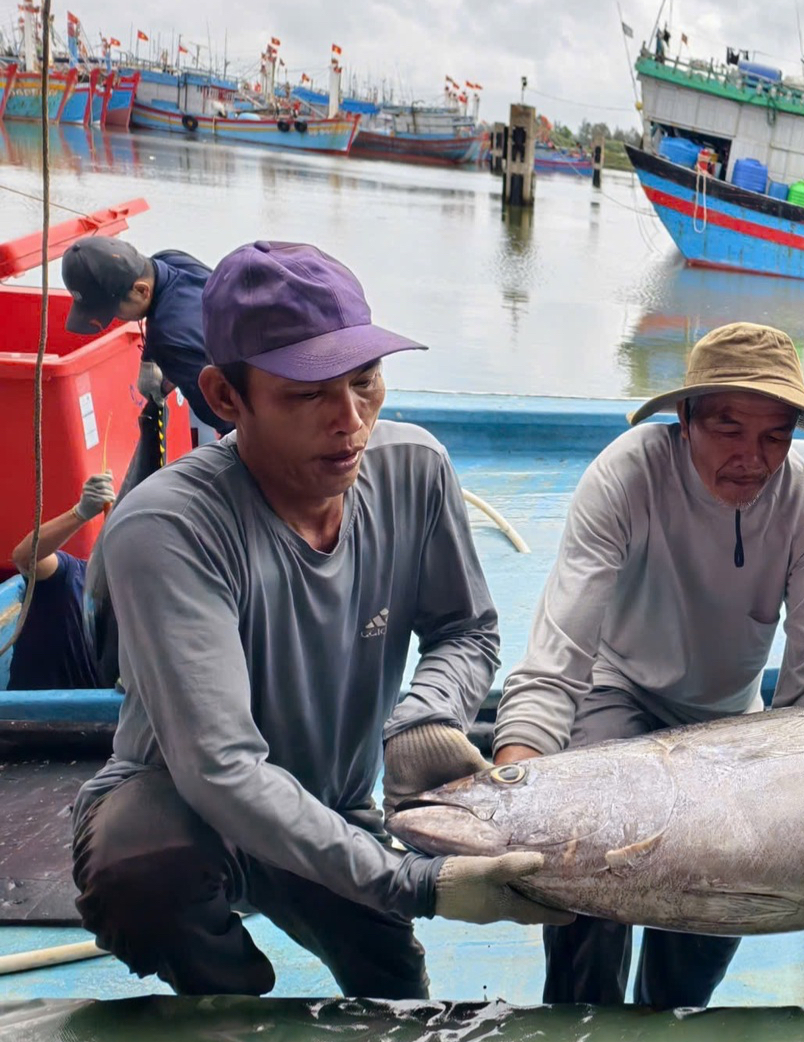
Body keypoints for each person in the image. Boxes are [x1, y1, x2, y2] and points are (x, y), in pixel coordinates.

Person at [68, 241, 564, 999]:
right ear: (226, 398)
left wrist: (423, 716)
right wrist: (417, 880)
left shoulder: (415, 470)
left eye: (365, 382)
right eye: (307, 394)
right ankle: (226, 1008)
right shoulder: (165, 529)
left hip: (332, 808)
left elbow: (465, 631)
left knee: (397, 998)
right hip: (193, 810)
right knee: (139, 863)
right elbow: (223, 769)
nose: (351, 420)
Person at [493, 322, 804, 1010]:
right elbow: (559, 655)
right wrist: (518, 792)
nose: (752, 458)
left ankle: (668, 1018)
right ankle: (580, 1026)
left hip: (728, 716)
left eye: (774, 436)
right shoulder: (625, 476)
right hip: (618, 689)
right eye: (728, 427)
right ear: (683, 418)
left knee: (722, 889)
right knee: (584, 855)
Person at [60, 236, 230, 442]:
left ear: (141, 290)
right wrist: (149, 358)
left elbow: (226, 420)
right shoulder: (171, 259)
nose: (116, 319)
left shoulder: (168, 340)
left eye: (114, 311)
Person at [5, 473, 114, 691]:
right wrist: (79, 513)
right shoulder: (68, 576)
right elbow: (26, 557)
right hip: (29, 716)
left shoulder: (141, 602)